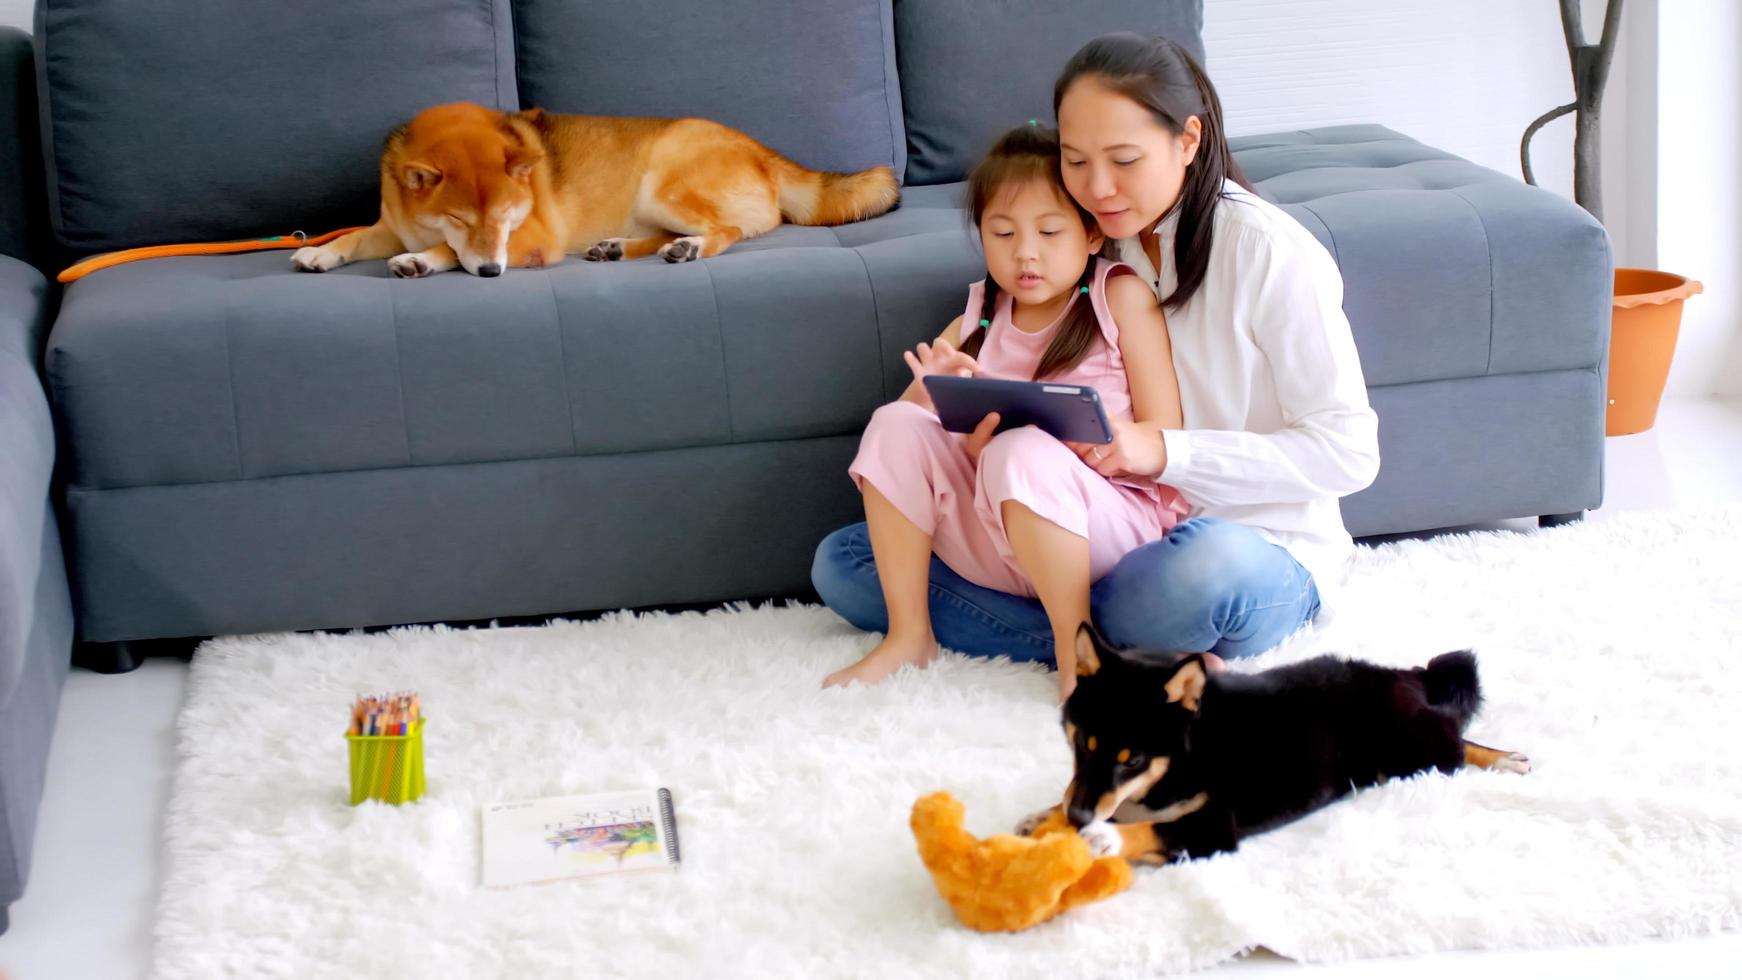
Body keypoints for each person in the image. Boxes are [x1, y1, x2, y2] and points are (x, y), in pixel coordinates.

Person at [815, 32, 1379, 689]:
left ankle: (1084, 634)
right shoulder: (1103, 247)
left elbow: (1350, 453)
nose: (1098, 187)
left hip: (1248, 543)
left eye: (1124, 160)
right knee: (847, 561)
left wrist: (1165, 451)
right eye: (1076, 161)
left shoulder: (1271, 254)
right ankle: (1105, 642)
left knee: (1190, 576)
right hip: (1103, 528)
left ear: (1188, 141)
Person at [819, 123, 1189, 701]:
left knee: (1021, 451)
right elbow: (905, 451)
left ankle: (1078, 654)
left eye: (1048, 231)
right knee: (893, 424)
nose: (1026, 253)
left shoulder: (1119, 297)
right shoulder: (980, 312)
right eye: (1002, 232)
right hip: (1003, 535)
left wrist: (1091, 446)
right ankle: (910, 635)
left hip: (1105, 526)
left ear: (1092, 234)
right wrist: (934, 394)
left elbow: (1166, 434)